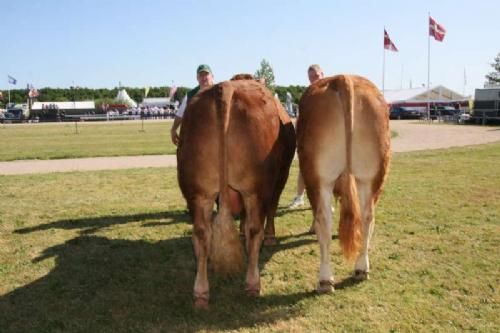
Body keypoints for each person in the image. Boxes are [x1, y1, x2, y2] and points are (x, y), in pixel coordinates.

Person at [288, 64, 325, 209]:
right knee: (304, 169)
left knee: (326, 171)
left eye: (316, 76)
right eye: (311, 77)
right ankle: (299, 197)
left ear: (322, 74)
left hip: (325, 139)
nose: (314, 79)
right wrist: (297, 135)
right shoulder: (307, 94)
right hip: (309, 139)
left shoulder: (330, 92)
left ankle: (324, 200)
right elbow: (300, 117)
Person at [170, 64, 214, 145]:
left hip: (215, 135)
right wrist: (173, 129)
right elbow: (180, 114)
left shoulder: (219, 92)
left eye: (206, 74)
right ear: (197, 78)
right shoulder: (190, 95)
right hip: (197, 137)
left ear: (212, 76)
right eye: (201, 75)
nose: (204, 78)